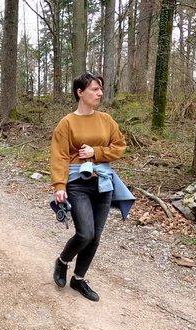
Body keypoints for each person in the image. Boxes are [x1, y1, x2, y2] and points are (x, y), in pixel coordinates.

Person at [50, 72, 134, 302]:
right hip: (77, 185)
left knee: (95, 237)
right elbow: (59, 156)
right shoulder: (67, 123)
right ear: (80, 92)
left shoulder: (106, 120)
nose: (99, 93)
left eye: (100, 89)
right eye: (94, 89)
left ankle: (78, 279)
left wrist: (96, 152)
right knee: (85, 233)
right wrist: (59, 185)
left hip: (103, 184)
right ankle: (63, 261)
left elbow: (119, 146)